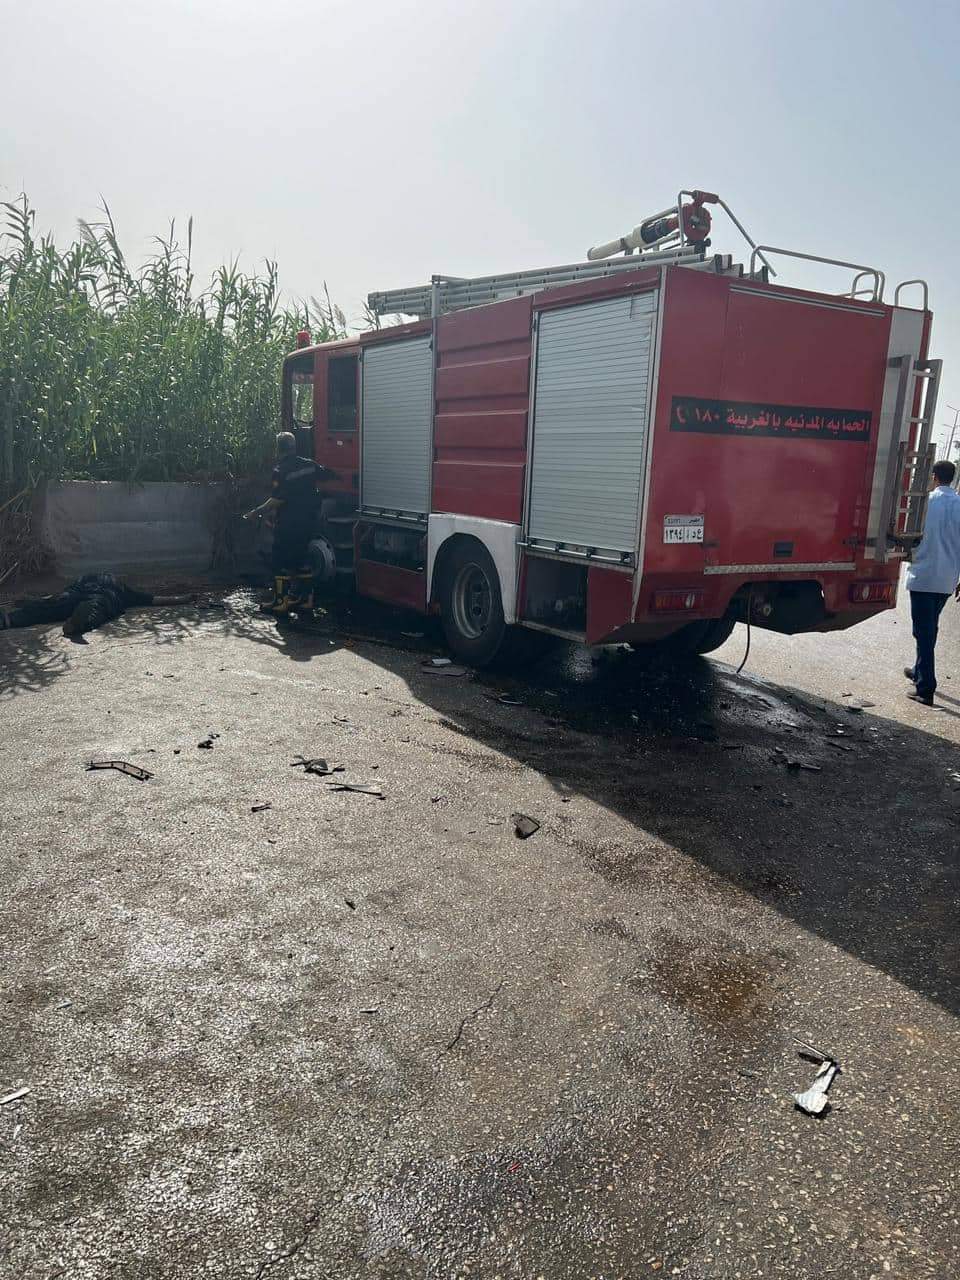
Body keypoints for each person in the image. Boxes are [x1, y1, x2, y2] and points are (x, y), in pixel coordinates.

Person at [243, 432, 328, 617]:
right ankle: (306, 600)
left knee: (279, 561)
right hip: (308, 523)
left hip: (289, 524)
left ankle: (280, 602)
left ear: (279, 448)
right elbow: (326, 474)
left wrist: (256, 512)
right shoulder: (309, 464)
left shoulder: (280, 470)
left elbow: (278, 499)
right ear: (294, 446)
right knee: (302, 560)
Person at [903, 459, 960, 706]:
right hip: (947, 579)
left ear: (934, 477)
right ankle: (919, 671)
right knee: (929, 628)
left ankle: (926, 688)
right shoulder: (959, 504)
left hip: (924, 577)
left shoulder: (924, 502)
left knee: (923, 632)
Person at [0, 573, 189, 638]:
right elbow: (155, 599)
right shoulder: (123, 589)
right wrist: (185, 598)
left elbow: (63, 592)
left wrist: (44, 599)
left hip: (78, 591)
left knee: (53, 605)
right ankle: (76, 625)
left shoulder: (89, 576)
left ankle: (8, 619)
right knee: (96, 610)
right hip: (103, 597)